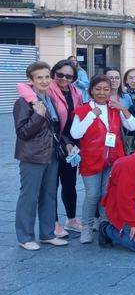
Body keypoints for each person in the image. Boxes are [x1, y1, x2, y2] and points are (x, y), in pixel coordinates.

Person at [16, 59, 84, 237]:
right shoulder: (35, 97)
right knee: (38, 193)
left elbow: (63, 124)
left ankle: (58, 227)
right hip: (40, 151)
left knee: (59, 190)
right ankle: (34, 232)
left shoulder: (64, 95)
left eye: (68, 76)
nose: (45, 81)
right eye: (59, 75)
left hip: (61, 148)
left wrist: (69, 142)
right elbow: (23, 131)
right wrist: (38, 114)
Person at [70, 74, 135, 244]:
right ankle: (86, 227)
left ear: (111, 90)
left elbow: (134, 126)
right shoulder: (84, 110)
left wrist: (123, 109)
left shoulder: (115, 107)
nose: (102, 92)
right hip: (91, 159)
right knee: (93, 195)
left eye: (106, 89)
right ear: (91, 90)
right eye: (98, 89)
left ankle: (104, 226)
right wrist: (92, 115)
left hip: (113, 160)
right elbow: (76, 133)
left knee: (107, 194)